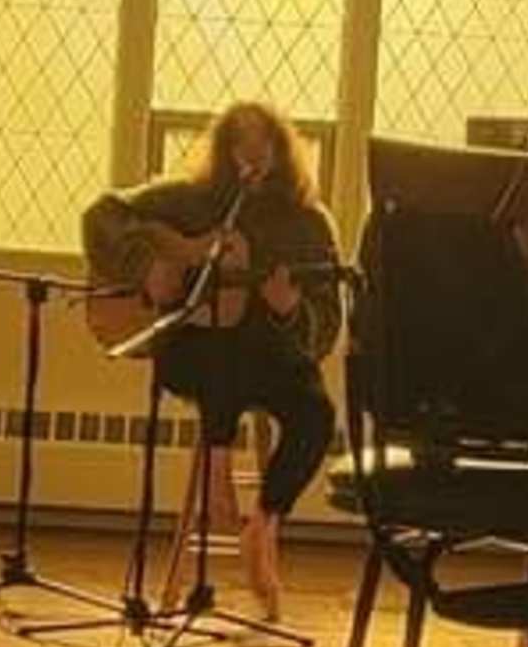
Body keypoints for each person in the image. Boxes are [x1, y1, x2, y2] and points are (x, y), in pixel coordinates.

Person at [82, 102, 341, 616]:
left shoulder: (310, 224)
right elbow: (101, 214)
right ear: (223, 151)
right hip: (194, 355)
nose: (251, 151)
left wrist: (290, 310)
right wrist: (148, 264)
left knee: (317, 413)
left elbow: (325, 327)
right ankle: (216, 467)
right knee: (225, 339)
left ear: (281, 149)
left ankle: (263, 524)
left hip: (274, 362)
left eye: (262, 140)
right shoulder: (187, 202)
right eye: (238, 141)